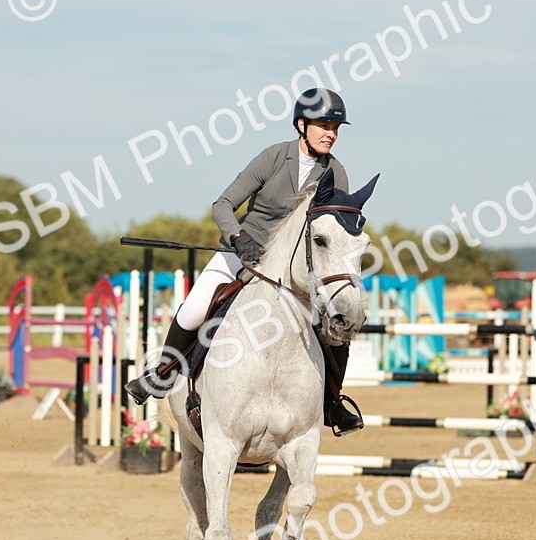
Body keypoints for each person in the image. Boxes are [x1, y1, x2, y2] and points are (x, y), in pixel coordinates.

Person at [124, 87, 364, 435]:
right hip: (244, 253)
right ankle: (162, 373)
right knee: (194, 307)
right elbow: (222, 204)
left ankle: (332, 403)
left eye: (336, 127)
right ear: (301, 124)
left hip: (293, 269)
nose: (331, 133)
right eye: (323, 124)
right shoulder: (272, 157)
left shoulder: (336, 173)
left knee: (335, 331)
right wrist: (238, 237)